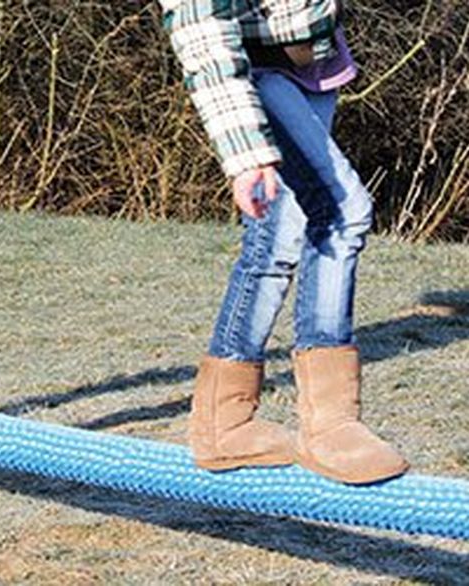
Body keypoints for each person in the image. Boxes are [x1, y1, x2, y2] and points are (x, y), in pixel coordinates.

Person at [161, 0, 409, 484]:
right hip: (254, 73)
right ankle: (330, 424)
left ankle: (224, 421)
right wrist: (248, 153)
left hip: (309, 63)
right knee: (341, 213)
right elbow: (199, 27)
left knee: (278, 237)